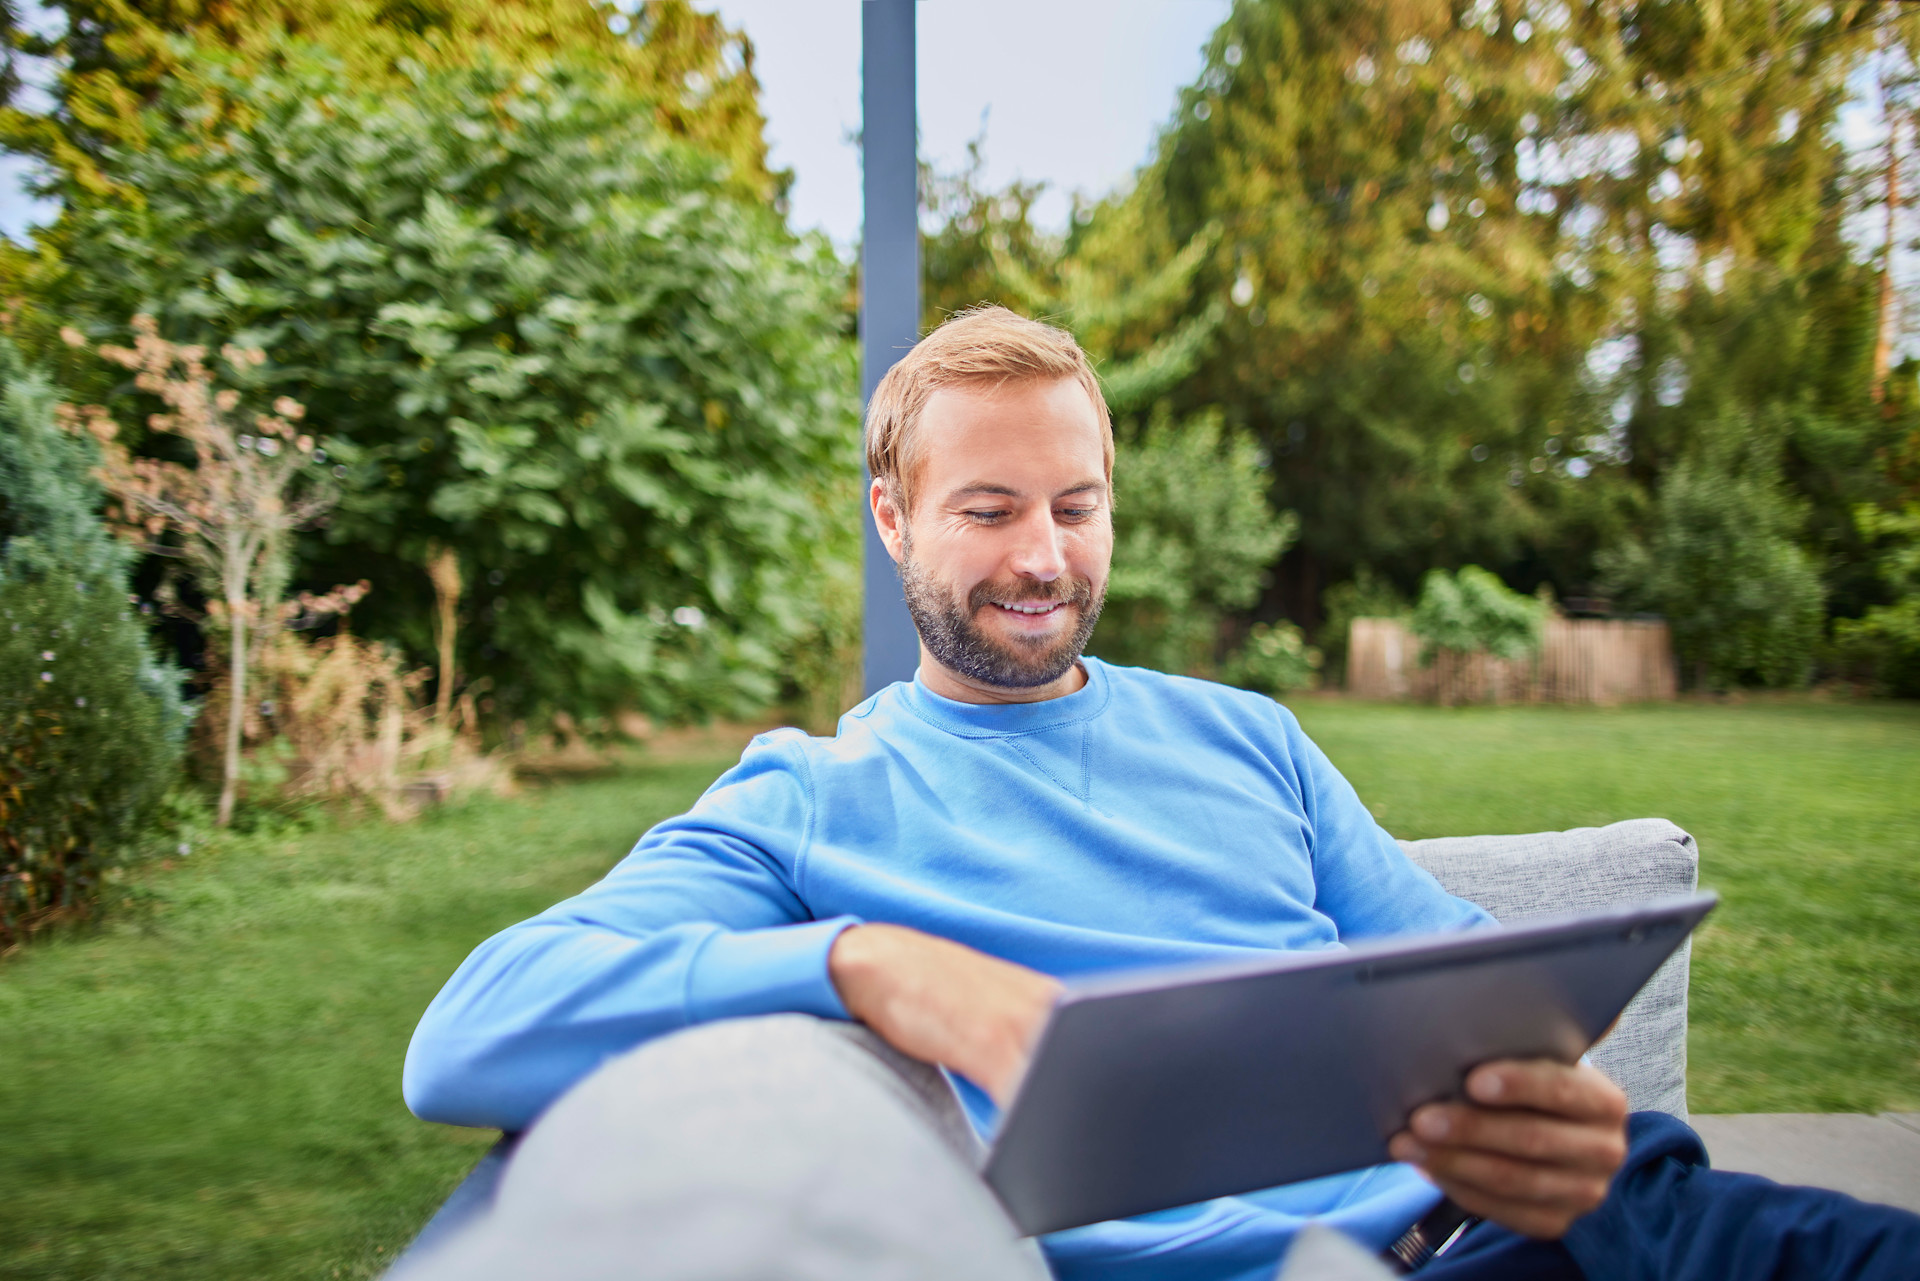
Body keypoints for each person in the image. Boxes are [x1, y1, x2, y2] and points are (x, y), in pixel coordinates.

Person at [402, 308, 1919, 1280]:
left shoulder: (1250, 737)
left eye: (1076, 503)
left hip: (1470, 1244)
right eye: (988, 509)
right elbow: (465, 1036)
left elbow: (1471, 977)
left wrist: (1541, 1092)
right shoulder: (815, 791)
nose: (1044, 556)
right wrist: (870, 963)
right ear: (891, 518)